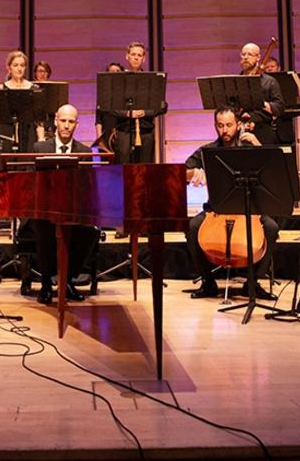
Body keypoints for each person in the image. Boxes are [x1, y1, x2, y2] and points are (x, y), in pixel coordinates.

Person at [183, 108, 278, 300]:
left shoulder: (249, 146)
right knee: (191, 227)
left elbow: (272, 170)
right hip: (216, 209)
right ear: (215, 126)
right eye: (220, 126)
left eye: (229, 125)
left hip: (249, 209)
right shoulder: (207, 151)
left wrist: (258, 145)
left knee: (271, 228)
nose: (224, 130)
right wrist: (195, 173)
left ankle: (253, 282)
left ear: (238, 125)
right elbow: (182, 172)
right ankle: (208, 282)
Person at [29, 104, 100, 304]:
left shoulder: (84, 150)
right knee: (43, 228)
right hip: (44, 210)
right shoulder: (39, 148)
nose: (66, 126)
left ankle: (67, 280)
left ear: (76, 124)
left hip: (73, 212)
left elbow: (89, 186)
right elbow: (30, 183)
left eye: (71, 122)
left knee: (90, 233)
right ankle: (45, 283)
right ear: (55, 121)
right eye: (63, 121)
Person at [109, 42, 166, 164]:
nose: (136, 57)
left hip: (146, 132)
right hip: (124, 132)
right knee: (123, 170)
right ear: (127, 56)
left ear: (143, 58)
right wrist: (129, 113)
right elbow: (110, 107)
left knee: (145, 171)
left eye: (139, 55)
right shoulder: (118, 81)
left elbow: (163, 106)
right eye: (133, 54)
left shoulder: (152, 80)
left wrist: (145, 112)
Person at [0, 50, 42, 159]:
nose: (19, 68)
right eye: (15, 65)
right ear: (9, 68)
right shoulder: (1, 88)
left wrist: (41, 140)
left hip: (28, 134)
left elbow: (39, 120)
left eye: (22, 65)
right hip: (6, 132)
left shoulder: (34, 89)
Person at [239, 42, 285, 145]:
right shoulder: (235, 82)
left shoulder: (270, 81)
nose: (246, 57)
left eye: (250, 54)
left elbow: (279, 108)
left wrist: (259, 101)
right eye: (243, 54)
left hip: (263, 132)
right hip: (240, 131)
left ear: (258, 57)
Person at [94, 61, 123, 150]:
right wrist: (100, 138)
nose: (114, 73)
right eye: (112, 71)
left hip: (121, 134)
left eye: (117, 71)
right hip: (106, 134)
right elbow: (98, 119)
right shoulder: (103, 95)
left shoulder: (124, 94)